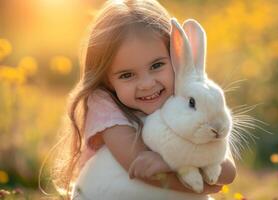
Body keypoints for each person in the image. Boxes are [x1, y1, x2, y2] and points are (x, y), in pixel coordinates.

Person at [51, 0, 236, 199]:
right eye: (127, 75)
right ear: (107, 79)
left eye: (156, 65)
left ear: (175, 57)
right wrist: (201, 184)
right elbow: (138, 166)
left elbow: (227, 171)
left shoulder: (186, 97)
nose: (147, 84)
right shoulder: (104, 104)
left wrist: (169, 164)